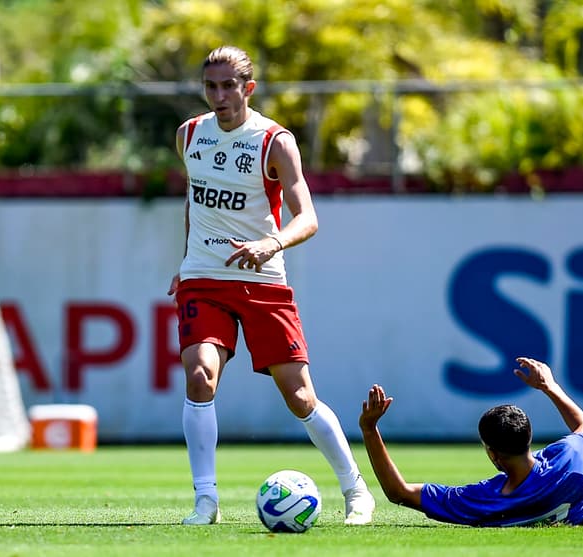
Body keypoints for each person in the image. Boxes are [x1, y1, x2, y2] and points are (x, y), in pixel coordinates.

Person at [167, 45, 374, 526]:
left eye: (228, 86)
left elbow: (308, 218)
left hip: (261, 278)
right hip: (204, 277)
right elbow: (194, 202)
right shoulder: (189, 135)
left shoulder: (274, 141)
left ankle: (355, 491)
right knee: (200, 377)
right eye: (210, 86)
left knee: (299, 396)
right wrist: (186, 260)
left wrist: (271, 244)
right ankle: (205, 501)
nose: (219, 95)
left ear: (248, 88)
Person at [358, 357, 583, 527]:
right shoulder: (567, 459)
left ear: (493, 455)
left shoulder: (479, 501)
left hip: (568, 514)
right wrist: (549, 386)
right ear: (528, 438)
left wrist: (370, 429)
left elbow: (398, 492)